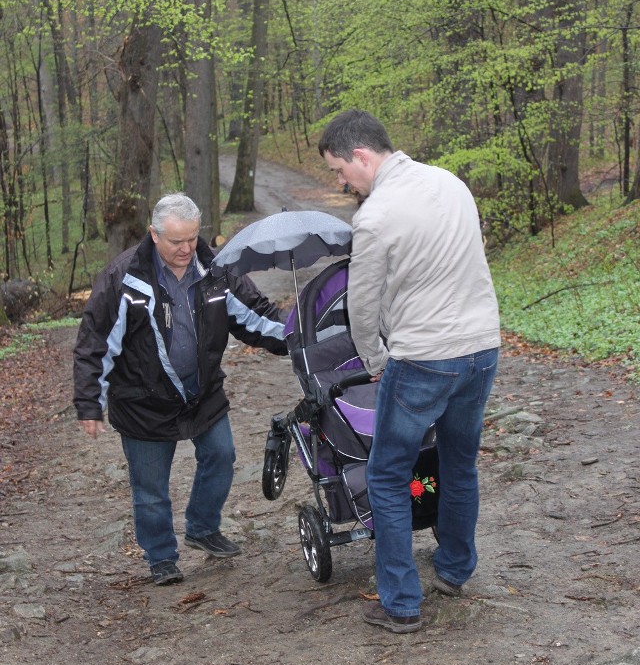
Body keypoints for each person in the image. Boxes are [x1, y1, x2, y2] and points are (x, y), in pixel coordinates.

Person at [318, 110, 500, 634]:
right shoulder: (451, 183)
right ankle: (455, 569)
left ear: (361, 156)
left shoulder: (375, 217)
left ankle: (400, 602)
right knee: (459, 462)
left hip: (424, 356)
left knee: (388, 475)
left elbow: (363, 307)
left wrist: (376, 363)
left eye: (339, 170)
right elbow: (473, 256)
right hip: (482, 346)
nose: (340, 182)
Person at [73, 193, 287, 586]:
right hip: (143, 403)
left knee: (222, 456)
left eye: (192, 238)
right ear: (154, 235)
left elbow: (257, 315)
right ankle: (161, 557)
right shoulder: (124, 279)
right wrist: (90, 402)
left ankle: (203, 527)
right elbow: (96, 342)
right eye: (176, 241)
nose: (186, 248)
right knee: (151, 489)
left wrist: (299, 337)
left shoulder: (216, 271)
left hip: (201, 393)